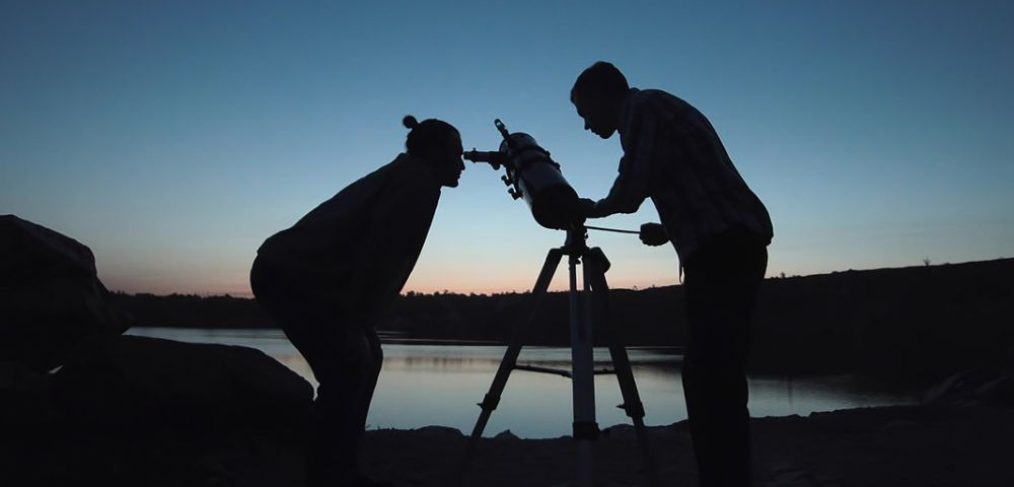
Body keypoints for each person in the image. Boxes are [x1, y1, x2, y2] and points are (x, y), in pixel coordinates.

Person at [570, 61, 773, 487]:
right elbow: (692, 179)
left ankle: (724, 478)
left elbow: (634, 182)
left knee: (710, 379)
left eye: (585, 113)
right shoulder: (658, 107)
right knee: (717, 376)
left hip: (723, 250)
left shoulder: (642, 109)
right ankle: (727, 474)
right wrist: (668, 229)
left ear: (605, 95)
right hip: (729, 243)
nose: (586, 126)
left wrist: (590, 207)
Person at [249, 115, 464, 487]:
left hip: (309, 280)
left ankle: (341, 465)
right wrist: (357, 312)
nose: (461, 164)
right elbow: (378, 249)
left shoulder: (413, 175)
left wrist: (360, 315)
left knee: (364, 359)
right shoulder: (417, 181)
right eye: (456, 154)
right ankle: (325, 472)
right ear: (434, 152)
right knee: (347, 368)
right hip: (290, 277)